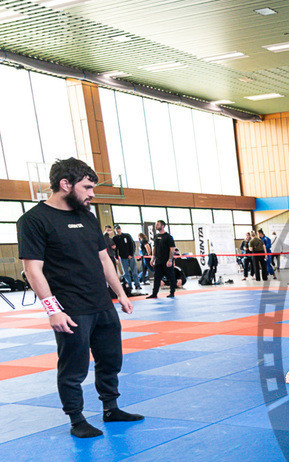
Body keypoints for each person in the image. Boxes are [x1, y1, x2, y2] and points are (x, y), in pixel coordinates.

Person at [17, 157, 144, 439]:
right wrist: (53, 310)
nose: (92, 194)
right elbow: (32, 268)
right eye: (87, 187)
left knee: (111, 360)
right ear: (65, 184)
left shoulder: (87, 216)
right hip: (70, 309)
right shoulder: (34, 220)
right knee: (73, 368)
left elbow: (103, 258)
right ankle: (77, 420)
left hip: (102, 304)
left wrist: (121, 294)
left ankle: (111, 409)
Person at [147, 220, 176, 298]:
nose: (156, 226)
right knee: (157, 278)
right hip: (158, 261)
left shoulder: (168, 237)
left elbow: (172, 249)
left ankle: (172, 292)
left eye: (158, 224)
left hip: (166, 261)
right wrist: (152, 258)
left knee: (171, 277)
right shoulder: (156, 236)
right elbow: (154, 247)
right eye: (156, 224)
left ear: (162, 226)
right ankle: (154, 293)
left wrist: (170, 260)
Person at [112, 225, 140, 293]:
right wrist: (116, 256)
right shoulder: (115, 238)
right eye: (116, 229)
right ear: (114, 230)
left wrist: (131, 254)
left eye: (119, 229)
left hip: (130, 256)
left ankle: (137, 284)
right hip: (122, 257)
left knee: (134, 271)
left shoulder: (127, 236)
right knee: (125, 272)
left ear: (120, 229)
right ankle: (129, 285)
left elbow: (132, 245)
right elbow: (115, 249)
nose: (118, 230)